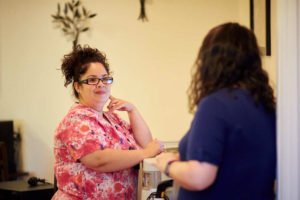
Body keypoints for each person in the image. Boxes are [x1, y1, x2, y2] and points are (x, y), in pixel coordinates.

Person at [155, 22, 276, 200]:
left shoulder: (215, 105)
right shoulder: (266, 106)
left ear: (211, 61)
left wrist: (168, 164)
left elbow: (199, 176)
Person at [52, 45, 163, 200]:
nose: (101, 84)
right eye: (92, 80)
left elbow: (146, 143)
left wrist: (133, 110)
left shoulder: (112, 118)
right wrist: (145, 153)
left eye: (105, 78)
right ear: (78, 86)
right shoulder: (76, 119)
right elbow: (98, 160)